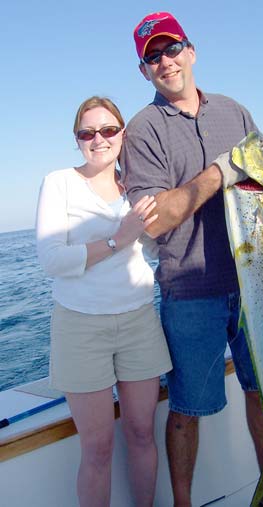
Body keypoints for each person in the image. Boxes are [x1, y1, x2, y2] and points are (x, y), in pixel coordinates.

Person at [121, 11, 263, 507]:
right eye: (152, 56)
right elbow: (154, 220)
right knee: (186, 409)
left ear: (191, 52)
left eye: (172, 49)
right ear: (144, 71)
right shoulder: (143, 130)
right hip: (191, 291)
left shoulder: (234, 112)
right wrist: (219, 173)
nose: (165, 61)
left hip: (258, 280)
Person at [35, 96, 172, 507]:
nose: (99, 139)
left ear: (122, 134)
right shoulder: (59, 182)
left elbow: (155, 246)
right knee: (96, 448)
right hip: (81, 327)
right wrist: (118, 240)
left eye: (109, 130)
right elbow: (52, 260)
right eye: (87, 133)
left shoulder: (138, 185)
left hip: (139, 322)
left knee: (142, 434)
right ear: (76, 140)